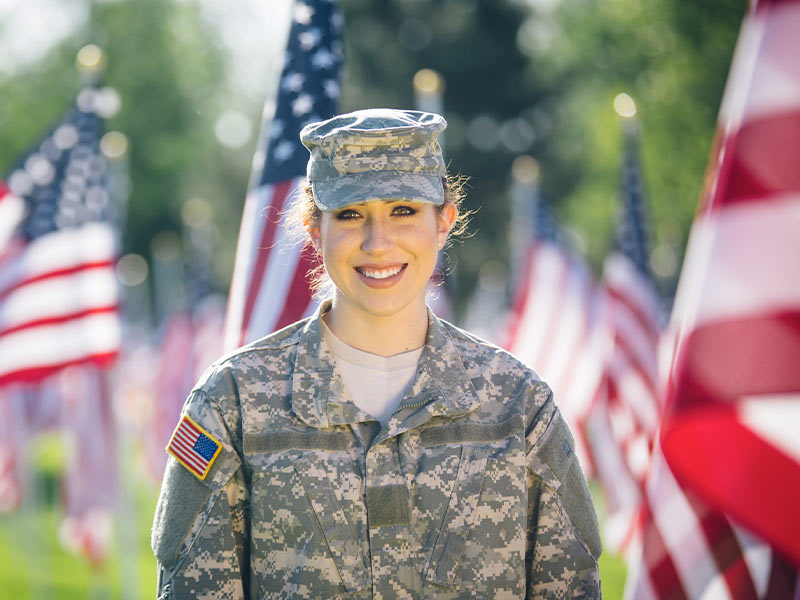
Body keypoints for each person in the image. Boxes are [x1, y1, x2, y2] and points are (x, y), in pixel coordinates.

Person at [151, 108, 602, 599]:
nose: (378, 242)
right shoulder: (234, 402)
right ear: (312, 227)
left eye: (403, 211)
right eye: (350, 215)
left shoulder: (517, 405)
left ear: (444, 221)